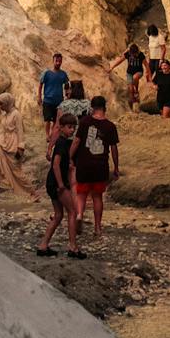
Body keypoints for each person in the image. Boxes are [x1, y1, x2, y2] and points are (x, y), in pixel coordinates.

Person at [73, 95, 120, 237]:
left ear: (92, 108)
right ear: (104, 107)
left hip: (84, 163)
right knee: (97, 197)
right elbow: (113, 149)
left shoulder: (85, 121)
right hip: (100, 165)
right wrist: (116, 167)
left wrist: (69, 157)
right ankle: (98, 227)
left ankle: (80, 214)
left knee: (81, 193)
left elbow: (76, 141)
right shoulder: (110, 126)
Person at [38, 114, 83, 256]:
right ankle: (73, 247)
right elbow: (56, 165)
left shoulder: (63, 142)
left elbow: (61, 164)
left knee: (58, 215)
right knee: (72, 212)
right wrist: (61, 185)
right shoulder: (61, 143)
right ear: (62, 128)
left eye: (73, 128)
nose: (72, 130)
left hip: (52, 182)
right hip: (57, 183)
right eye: (69, 127)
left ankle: (43, 245)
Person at [0, 92, 37, 206]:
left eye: (2, 104)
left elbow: (20, 132)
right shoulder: (5, 114)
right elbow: (3, 129)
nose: (1, 107)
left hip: (13, 146)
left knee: (17, 172)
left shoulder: (16, 114)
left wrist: (21, 147)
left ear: (7, 103)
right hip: (3, 144)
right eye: (0, 104)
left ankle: (33, 193)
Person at [38, 50, 69, 131]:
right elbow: (40, 85)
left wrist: (67, 95)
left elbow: (66, 85)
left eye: (60, 61)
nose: (58, 63)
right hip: (48, 100)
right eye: (56, 61)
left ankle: (53, 134)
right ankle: (47, 135)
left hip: (59, 101)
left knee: (56, 120)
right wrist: (39, 97)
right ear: (53, 61)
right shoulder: (46, 73)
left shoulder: (63, 74)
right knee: (47, 119)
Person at [122, 40, 146, 109]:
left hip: (139, 71)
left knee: (135, 77)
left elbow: (146, 65)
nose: (133, 56)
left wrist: (149, 76)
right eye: (132, 54)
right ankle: (133, 104)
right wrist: (112, 67)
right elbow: (120, 60)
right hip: (129, 73)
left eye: (134, 54)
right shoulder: (128, 54)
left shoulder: (140, 55)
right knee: (130, 89)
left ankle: (136, 90)